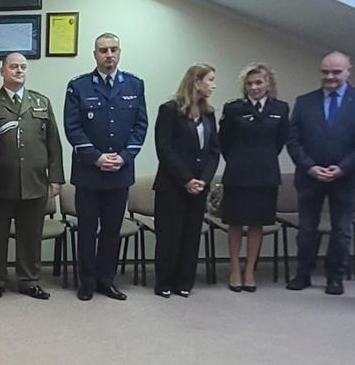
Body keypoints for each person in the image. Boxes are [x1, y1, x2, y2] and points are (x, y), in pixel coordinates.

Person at [284, 51, 355, 295]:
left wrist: (344, 167)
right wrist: (309, 166)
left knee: (342, 231)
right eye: (325, 72)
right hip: (309, 176)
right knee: (307, 230)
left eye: (336, 72)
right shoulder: (305, 101)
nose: (330, 77)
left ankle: (335, 277)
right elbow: (293, 140)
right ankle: (303, 274)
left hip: (345, 177)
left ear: (348, 71)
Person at [63, 33, 147, 301]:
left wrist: (124, 157)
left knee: (112, 231)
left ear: (119, 52)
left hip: (120, 173)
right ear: (95, 55)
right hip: (88, 173)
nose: (109, 54)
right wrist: (96, 157)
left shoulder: (134, 84)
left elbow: (140, 126)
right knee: (87, 231)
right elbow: (73, 128)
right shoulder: (78, 86)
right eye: (103, 50)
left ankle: (106, 280)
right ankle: (87, 281)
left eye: (113, 49)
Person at [0, 53, 64, 300]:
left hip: (34, 181)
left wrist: (55, 177)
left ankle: (29, 280)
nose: (19, 71)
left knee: (30, 236)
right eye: (13, 66)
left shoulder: (41, 101)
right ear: (2, 71)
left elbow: (54, 143)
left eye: (23, 67)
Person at [218, 63, 289, 292]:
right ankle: (234, 269)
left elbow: (279, 141)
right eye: (249, 83)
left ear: (268, 83)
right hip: (238, 173)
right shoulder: (233, 109)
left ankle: (250, 270)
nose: (254, 87)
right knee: (235, 223)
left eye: (259, 82)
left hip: (265, 174)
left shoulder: (281, 108)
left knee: (257, 223)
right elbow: (224, 142)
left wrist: (261, 159)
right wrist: (239, 160)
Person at [152, 64, 221, 297]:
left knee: (191, 236)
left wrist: (203, 180)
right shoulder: (169, 110)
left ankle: (184, 282)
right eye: (210, 80)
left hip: (199, 186)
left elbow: (214, 151)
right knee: (169, 237)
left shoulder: (209, 114)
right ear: (196, 82)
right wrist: (187, 179)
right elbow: (165, 149)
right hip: (172, 185)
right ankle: (164, 283)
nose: (213, 85)